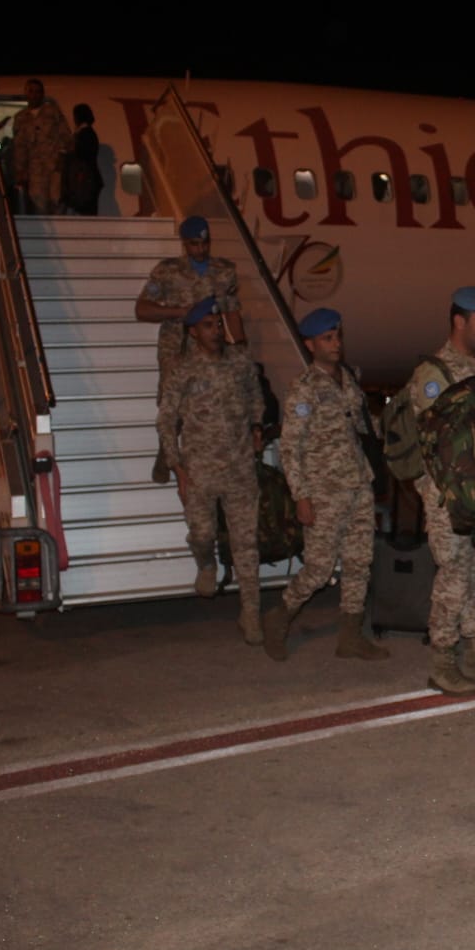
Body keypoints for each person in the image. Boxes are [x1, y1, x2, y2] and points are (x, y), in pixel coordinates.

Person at [262, 308, 385, 663]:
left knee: (359, 562)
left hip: (358, 483)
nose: (335, 344)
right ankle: (279, 618)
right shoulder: (304, 389)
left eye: (337, 337)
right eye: (327, 338)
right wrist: (301, 496)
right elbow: (290, 447)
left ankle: (350, 637)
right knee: (318, 569)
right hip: (324, 492)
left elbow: (360, 427)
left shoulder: (348, 379)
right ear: (310, 344)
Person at [405, 285, 475, 696]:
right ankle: (443, 660)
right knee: (454, 577)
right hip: (449, 495)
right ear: (459, 321)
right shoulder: (434, 373)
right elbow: (437, 438)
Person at [154, 297, 265, 644]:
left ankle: (251, 614)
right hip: (200, 471)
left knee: (246, 544)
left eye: (218, 324)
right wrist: (178, 469)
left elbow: (255, 395)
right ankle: (206, 563)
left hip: (240, 469)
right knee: (202, 534)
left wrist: (257, 425)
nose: (216, 330)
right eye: (207, 326)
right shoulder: (182, 370)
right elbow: (166, 421)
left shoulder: (240, 361)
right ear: (193, 331)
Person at [135, 216, 242, 485]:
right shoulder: (167, 271)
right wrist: (179, 312)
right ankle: (167, 454)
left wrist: (240, 347)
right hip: (176, 346)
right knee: (173, 403)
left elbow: (232, 311)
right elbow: (142, 309)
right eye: (194, 244)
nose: (201, 249)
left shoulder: (224, 271)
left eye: (205, 243)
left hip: (211, 345)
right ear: (184, 243)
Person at [10, 78, 73, 215]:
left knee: (57, 201)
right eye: (31, 91)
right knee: (39, 203)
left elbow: (66, 136)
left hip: (54, 166)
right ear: (26, 93)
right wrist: (20, 170)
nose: (34, 95)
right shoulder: (21, 117)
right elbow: (19, 146)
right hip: (34, 170)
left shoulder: (52, 112)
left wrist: (62, 157)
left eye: (38, 91)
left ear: (42, 94)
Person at [63, 103, 104, 216]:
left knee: (86, 213)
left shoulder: (85, 133)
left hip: (85, 181)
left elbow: (83, 156)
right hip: (87, 180)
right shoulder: (87, 133)